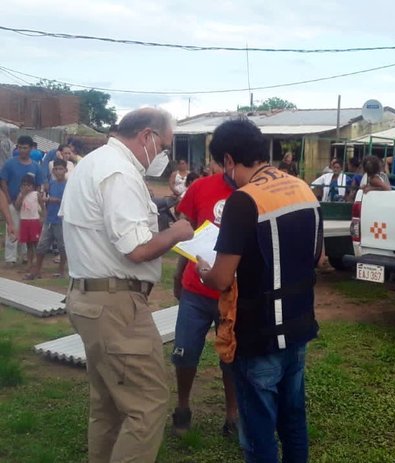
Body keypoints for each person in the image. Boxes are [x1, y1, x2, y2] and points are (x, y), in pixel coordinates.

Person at [60, 107, 194, 463]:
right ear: (147, 136)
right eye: (164, 145)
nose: (164, 155)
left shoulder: (95, 162)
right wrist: (178, 232)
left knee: (108, 406)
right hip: (116, 306)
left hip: (91, 298)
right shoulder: (119, 172)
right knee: (147, 404)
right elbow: (137, 249)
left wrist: (161, 215)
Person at [197, 118, 323, 463]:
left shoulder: (243, 200)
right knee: (294, 420)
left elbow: (222, 278)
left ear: (227, 160)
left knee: (258, 433)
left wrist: (203, 270)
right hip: (298, 326)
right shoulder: (303, 188)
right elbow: (317, 256)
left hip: (258, 335)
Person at [171, 160, 238, 436]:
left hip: (232, 295)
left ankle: (232, 415)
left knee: (231, 357)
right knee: (185, 352)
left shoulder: (256, 193)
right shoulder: (200, 187)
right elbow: (187, 233)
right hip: (196, 291)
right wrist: (178, 275)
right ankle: (182, 407)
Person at [0, 135, 44, 266]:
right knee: (12, 229)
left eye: (25, 148)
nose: (22, 150)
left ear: (31, 148)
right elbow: (3, 182)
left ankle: (25, 256)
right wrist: (8, 199)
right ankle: (10, 258)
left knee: (27, 230)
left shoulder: (36, 167)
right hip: (12, 202)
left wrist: (37, 203)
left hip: (29, 206)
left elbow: (39, 185)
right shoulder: (10, 163)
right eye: (20, 147)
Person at [26, 158, 68, 279]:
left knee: (62, 247)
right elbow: (47, 201)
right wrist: (44, 213)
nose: (58, 171)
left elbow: (68, 202)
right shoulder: (51, 184)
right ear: (53, 170)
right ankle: (36, 271)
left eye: (60, 169)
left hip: (61, 220)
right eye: (56, 169)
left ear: (65, 170)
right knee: (41, 246)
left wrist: (55, 200)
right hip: (49, 219)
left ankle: (61, 271)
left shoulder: (68, 185)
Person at [15, 174, 43, 276]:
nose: (27, 187)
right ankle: (29, 263)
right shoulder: (20, 195)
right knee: (28, 244)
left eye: (29, 185)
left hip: (34, 221)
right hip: (25, 221)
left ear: (33, 186)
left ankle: (37, 264)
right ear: (21, 186)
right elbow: (17, 207)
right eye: (24, 185)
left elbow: (42, 206)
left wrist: (43, 218)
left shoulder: (36, 194)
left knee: (36, 244)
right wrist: (22, 195)